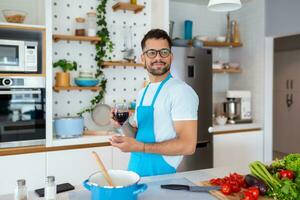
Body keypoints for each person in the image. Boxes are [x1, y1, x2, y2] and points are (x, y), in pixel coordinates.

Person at [110, 29, 199, 177]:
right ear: (143, 58)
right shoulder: (143, 92)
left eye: (163, 52)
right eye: (151, 53)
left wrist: (142, 147)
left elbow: (188, 145)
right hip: (135, 172)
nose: (158, 57)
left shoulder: (181, 91)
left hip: (161, 176)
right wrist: (123, 124)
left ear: (171, 57)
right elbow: (137, 136)